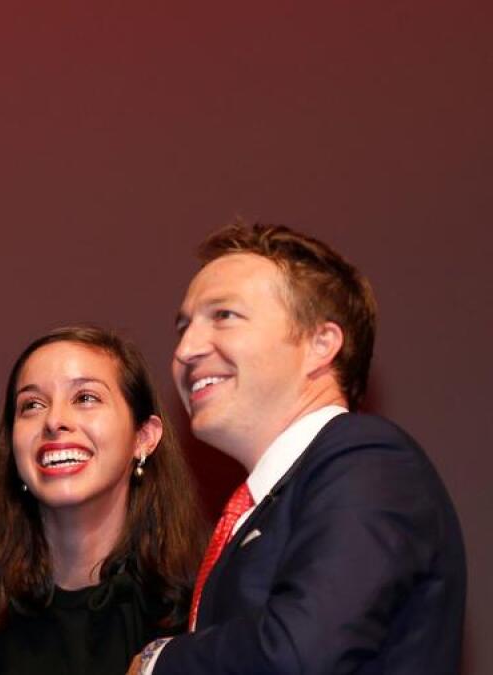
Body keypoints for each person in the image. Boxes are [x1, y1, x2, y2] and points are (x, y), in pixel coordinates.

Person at [132, 224, 467, 674]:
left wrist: (158, 662)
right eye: (183, 326)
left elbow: (298, 652)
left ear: (320, 344)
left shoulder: (369, 459)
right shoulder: (261, 508)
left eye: (224, 315)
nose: (186, 349)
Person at [0, 326, 204, 674]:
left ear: (143, 437)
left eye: (85, 398)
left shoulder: (200, 591)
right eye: (32, 405)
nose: (54, 421)